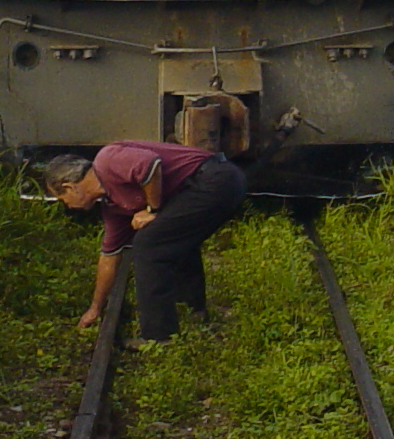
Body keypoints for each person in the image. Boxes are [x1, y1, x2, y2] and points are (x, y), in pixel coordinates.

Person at [44, 141, 247, 342]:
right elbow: (109, 256)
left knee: (148, 244)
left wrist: (152, 209)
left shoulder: (107, 161)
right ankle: (193, 314)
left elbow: (150, 165)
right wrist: (95, 308)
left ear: (70, 187)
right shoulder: (114, 206)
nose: (68, 206)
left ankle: (157, 337)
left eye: (63, 200)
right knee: (175, 241)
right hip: (210, 187)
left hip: (215, 179)